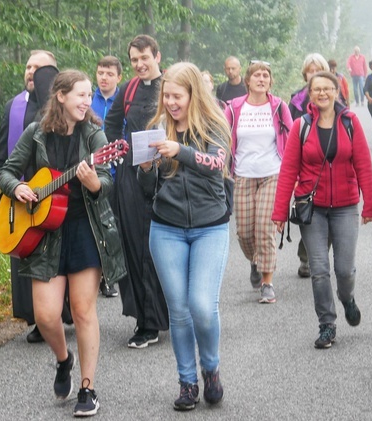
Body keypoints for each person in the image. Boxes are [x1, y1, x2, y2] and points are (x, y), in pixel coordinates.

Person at [0, 70, 126, 416]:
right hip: (45, 233)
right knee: (46, 316)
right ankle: (63, 359)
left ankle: (88, 388)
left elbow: (106, 182)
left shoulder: (95, 136)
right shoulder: (36, 133)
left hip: (84, 228)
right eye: (81, 95)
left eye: (89, 95)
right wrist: (17, 188)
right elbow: (9, 171)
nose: (88, 101)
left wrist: (95, 183)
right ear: (61, 97)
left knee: (84, 311)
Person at [137, 62, 231, 411]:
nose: (171, 102)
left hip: (210, 227)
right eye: (167, 96)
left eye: (178, 96)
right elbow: (147, 190)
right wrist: (146, 169)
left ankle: (211, 368)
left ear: (194, 94)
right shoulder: (156, 130)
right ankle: (187, 381)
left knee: (202, 307)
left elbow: (217, 164)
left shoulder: (214, 124)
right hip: (166, 228)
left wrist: (181, 151)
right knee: (179, 311)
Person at [273, 71, 372, 349]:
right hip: (312, 208)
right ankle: (327, 325)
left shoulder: (350, 122)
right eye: (316, 89)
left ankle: (347, 298)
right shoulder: (301, 126)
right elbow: (288, 171)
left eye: (327, 88)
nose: (322, 93)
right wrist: (279, 212)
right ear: (310, 93)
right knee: (319, 270)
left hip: (345, 207)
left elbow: (364, 165)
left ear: (336, 91)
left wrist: (370, 205)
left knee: (344, 270)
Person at [0, 50, 68, 344]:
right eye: (28, 66)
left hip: (55, 192)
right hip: (19, 193)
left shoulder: (60, 105)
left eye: (38, 67)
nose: (31, 71)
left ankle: (60, 312)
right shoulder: (13, 106)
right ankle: (37, 318)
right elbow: (1, 155)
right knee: (26, 249)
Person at [103, 34, 169, 349]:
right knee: (136, 248)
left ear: (157, 56)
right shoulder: (127, 90)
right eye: (134, 59)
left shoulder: (172, 85)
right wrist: (122, 152)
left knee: (163, 249)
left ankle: (173, 313)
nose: (139, 64)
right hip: (131, 179)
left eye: (144, 57)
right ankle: (147, 322)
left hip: (169, 175)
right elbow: (112, 127)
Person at [225, 60, 293, 302]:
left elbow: (291, 140)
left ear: (270, 82)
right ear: (248, 81)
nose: (262, 79)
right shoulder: (234, 108)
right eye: (257, 75)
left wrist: (291, 177)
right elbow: (224, 137)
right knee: (244, 232)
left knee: (265, 229)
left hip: (272, 174)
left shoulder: (279, 107)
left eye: (266, 75)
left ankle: (267, 282)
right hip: (242, 175)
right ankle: (256, 260)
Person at [289, 53, 329, 279]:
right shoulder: (296, 100)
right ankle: (307, 257)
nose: (313, 74)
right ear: (305, 74)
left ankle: (316, 255)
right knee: (308, 209)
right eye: (310, 71)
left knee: (328, 213)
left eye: (317, 70)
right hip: (303, 163)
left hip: (328, 162)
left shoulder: (334, 96)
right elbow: (288, 132)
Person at [90, 55, 122, 298]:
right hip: (90, 173)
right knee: (95, 226)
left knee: (113, 225)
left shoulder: (124, 100)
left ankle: (110, 276)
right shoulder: (87, 99)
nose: (104, 77)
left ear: (118, 77)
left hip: (118, 172)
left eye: (109, 73)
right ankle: (98, 274)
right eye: (101, 72)